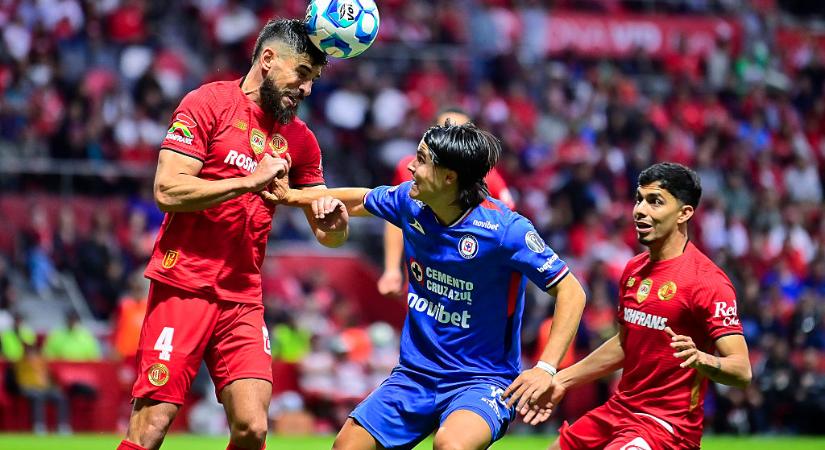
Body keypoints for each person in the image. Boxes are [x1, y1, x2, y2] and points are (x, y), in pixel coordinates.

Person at [266, 123, 586, 450]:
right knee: (346, 447)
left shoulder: (506, 231)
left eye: (421, 159)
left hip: (481, 382)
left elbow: (571, 291)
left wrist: (546, 368)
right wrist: (291, 196)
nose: (409, 166)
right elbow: (360, 200)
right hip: (413, 376)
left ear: (449, 177)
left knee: (450, 446)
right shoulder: (410, 202)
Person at [117, 18, 347, 450]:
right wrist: (247, 181)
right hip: (183, 282)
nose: (308, 89)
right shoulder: (207, 103)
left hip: (242, 295)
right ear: (267, 59)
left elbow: (327, 228)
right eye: (302, 74)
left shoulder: (301, 141)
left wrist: (334, 224)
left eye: (313, 79)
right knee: (151, 427)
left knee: (253, 427)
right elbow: (167, 189)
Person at [522, 163, 751, 450]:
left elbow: (741, 370)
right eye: (639, 199)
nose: (640, 210)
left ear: (685, 213)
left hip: (667, 428)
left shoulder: (707, 282)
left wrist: (703, 359)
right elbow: (625, 342)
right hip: (618, 411)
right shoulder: (634, 269)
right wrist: (562, 380)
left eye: (655, 201)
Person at [377, 108, 515, 297]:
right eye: (445, 129)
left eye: (460, 131)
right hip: (422, 284)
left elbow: (508, 228)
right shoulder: (409, 169)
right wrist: (392, 268)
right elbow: (395, 216)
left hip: (468, 291)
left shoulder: (487, 178)